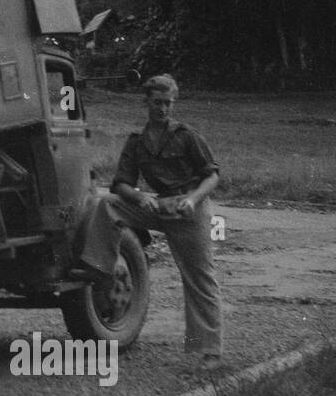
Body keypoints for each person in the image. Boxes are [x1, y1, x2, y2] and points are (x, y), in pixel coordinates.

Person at [74, 74, 225, 369]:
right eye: (157, 103)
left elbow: (212, 175)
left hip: (189, 210)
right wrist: (140, 197)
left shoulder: (186, 135)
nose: (163, 109)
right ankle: (99, 269)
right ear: (146, 102)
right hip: (157, 204)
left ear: (174, 103)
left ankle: (209, 352)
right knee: (108, 205)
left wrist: (193, 200)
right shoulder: (138, 142)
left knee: (199, 279)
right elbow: (120, 185)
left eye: (168, 103)